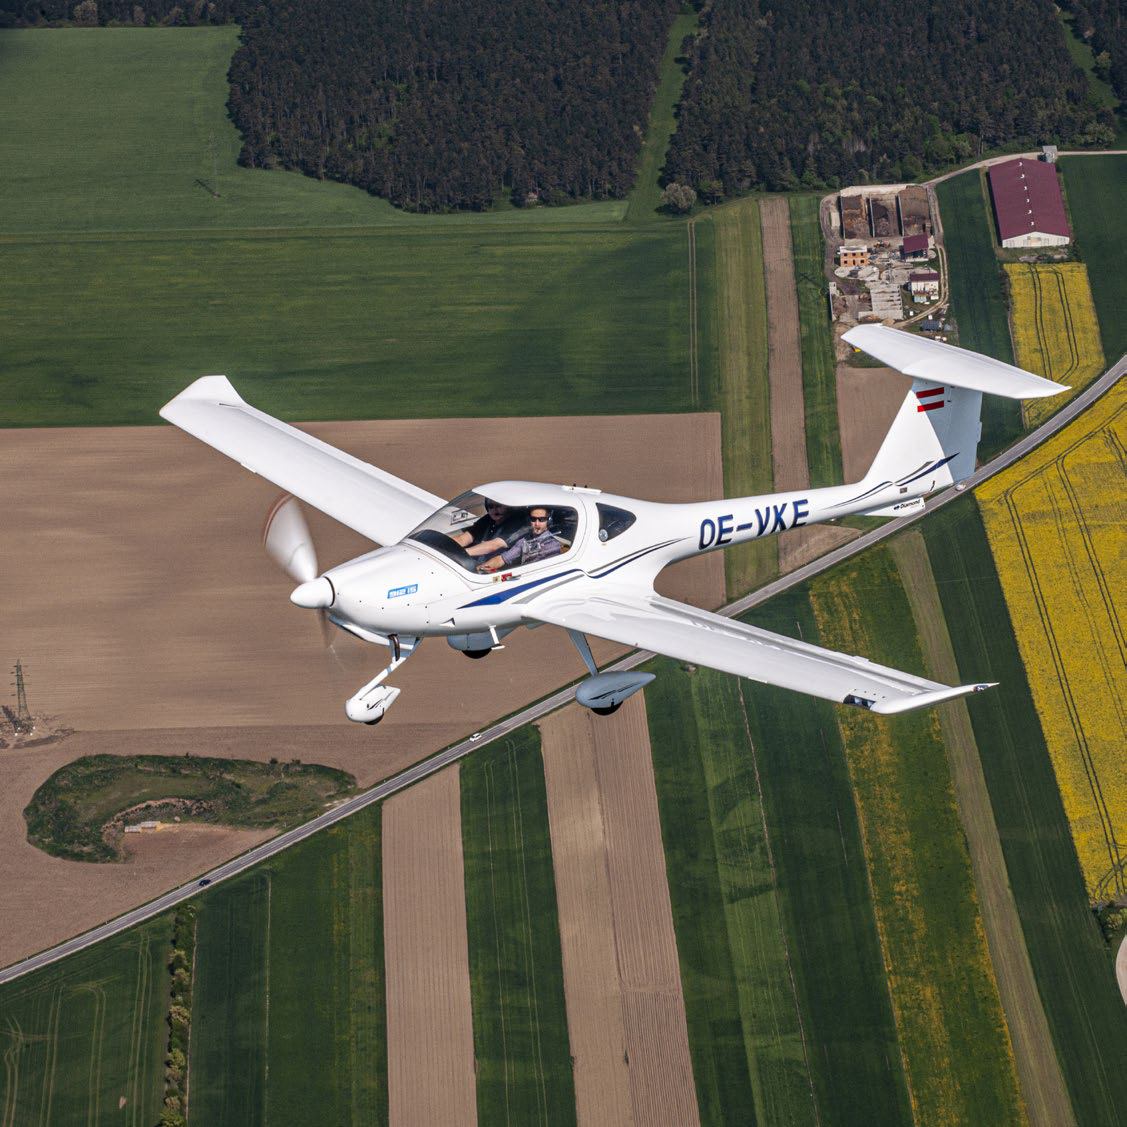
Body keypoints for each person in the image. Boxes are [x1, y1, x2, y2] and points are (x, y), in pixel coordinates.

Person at [478, 507, 562, 572]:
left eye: (541, 519)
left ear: (548, 521)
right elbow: (503, 558)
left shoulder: (552, 545)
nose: (537, 523)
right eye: (533, 519)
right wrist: (483, 568)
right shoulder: (526, 539)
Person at [451, 498, 530, 559]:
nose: (494, 510)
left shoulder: (516, 523)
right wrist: (445, 545)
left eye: (499, 505)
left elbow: (494, 545)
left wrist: (462, 552)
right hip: (475, 559)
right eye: (491, 506)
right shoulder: (488, 519)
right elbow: (464, 538)